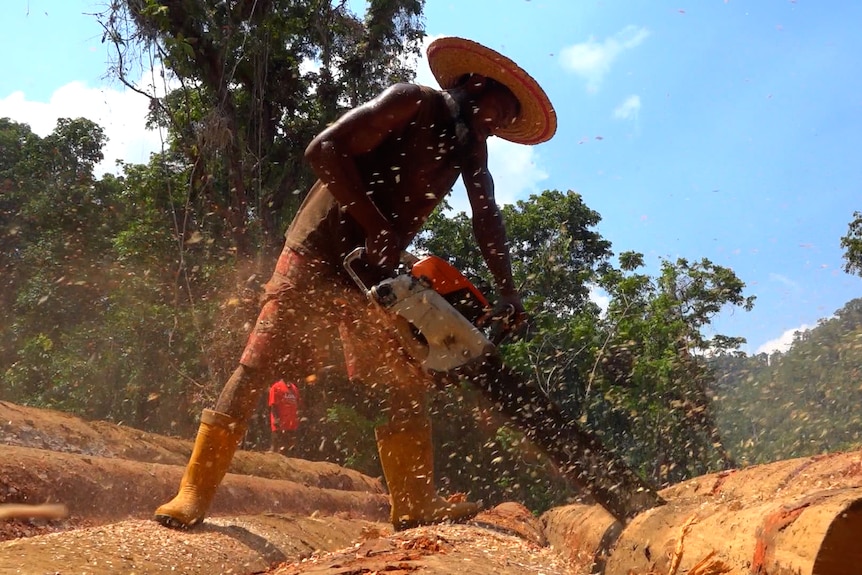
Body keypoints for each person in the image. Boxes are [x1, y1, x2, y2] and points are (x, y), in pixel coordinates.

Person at [154, 36, 556, 530]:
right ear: (475, 85)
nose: (498, 124)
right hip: (319, 250)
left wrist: (507, 289)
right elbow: (323, 150)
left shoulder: (470, 152)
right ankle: (194, 491)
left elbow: (487, 217)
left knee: (405, 379)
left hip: (373, 272)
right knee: (258, 362)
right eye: (499, 110)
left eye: (508, 120)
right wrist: (375, 225)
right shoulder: (412, 102)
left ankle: (412, 506)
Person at [268, 378, 300, 454]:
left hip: (291, 423)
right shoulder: (276, 387)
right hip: (280, 422)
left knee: (288, 447)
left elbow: (297, 404)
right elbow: (273, 404)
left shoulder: (294, 388)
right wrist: (276, 419)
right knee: (276, 445)